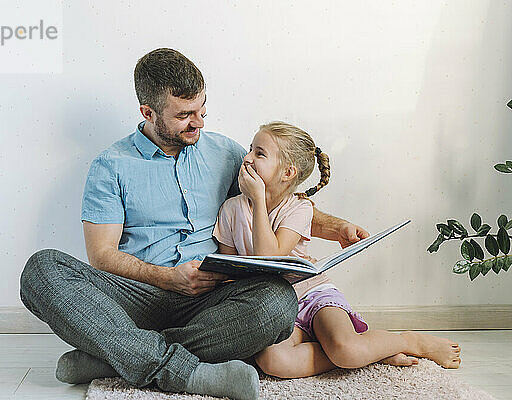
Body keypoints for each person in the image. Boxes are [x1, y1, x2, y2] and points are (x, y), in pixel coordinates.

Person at [19, 48, 370, 400]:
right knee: (41, 269)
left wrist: (337, 227)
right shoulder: (110, 166)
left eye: (202, 110)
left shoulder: (227, 153)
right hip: (134, 297)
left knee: (277, 301)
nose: (199, 122)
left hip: (209, 301)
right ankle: (184, 372)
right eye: (185, 114)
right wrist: (168, 278)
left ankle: (115, 358)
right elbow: (101, 256)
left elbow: (279, 202)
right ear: (148, 113)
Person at [213, 121, 462, 379]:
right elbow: (231, 275)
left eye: (259, 153)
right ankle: (372, 352)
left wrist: (257, 199)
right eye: (251, 149)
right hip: (275, 308)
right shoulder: (231, 210)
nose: (247, 158)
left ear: (287, 173)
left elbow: (269, 257)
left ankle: (409, 341)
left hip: (312, 294)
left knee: (347, 349)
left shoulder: (299, 208)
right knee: (275, 362)